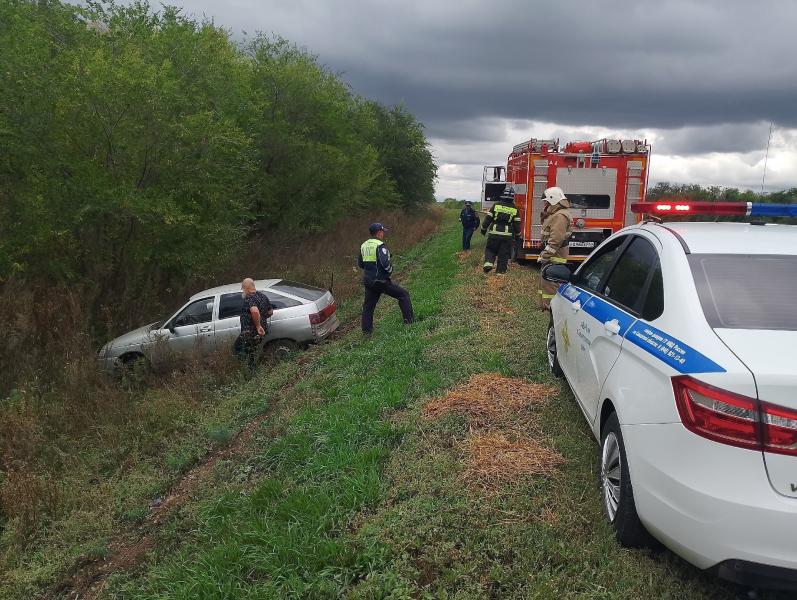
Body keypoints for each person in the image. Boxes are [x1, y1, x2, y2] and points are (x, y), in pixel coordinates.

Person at [358, 223, 414, 334]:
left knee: (368, 306)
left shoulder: (364, 245)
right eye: (383, 231)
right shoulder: (380, 245)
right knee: (403, 295)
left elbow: (360, 264)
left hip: (368, 281)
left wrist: (371, 269)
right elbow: (385, 263)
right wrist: (390, 270)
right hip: (380, 281)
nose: (383, 234)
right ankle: (410, 322)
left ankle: (366, 332)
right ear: (379, 232)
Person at [537, 186, 572, 309]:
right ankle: (545, 305)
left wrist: (545, 255)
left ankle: (553, 308)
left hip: (555, 256)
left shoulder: (560, 216)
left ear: (553, 200)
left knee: (551, 282)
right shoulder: (556, 214)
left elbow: (556, 239)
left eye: (546, 201)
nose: (545, 204)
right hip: (553, 255)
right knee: (546, 281)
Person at [234, 277, 273, 369]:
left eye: (243, 288)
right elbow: (270, 311)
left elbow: (254, 311)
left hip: (250, 332)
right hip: (260, 332)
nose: (242, 290)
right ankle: (253, 369)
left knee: (237, 348)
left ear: (246, 288)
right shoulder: (263, 296)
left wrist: (258, 325)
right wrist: (262, 318)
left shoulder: (249, 298)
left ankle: (248, 369)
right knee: (251, 350)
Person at [480, 190, 521, 274]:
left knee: (490, 249)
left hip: (494, 233)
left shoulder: (496, 205)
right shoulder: (515, 208)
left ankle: (488, 264)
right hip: (507, 236)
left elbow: (488, 219)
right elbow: (517, 224)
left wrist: (483, 229)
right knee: (504, 254)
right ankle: (500, 273)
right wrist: (518, 235)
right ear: (512, 198)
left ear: (502, 196)